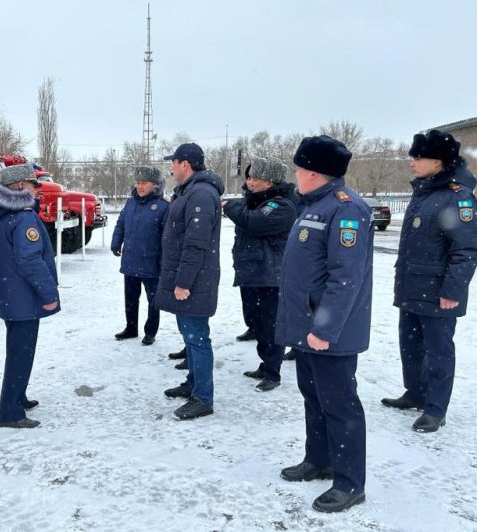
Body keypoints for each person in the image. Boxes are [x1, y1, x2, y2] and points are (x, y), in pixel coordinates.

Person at [275, 135, 372, 513]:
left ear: (313, 172)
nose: (295, 174)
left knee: (340, 405)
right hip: (308, 329)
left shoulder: (347, 210)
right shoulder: (314, 205)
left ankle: (350, 483)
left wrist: (324, 330)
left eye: (299, 167)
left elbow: (345, 278)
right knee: (313, 398)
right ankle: (319, 459)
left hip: (330, 333)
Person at [382, 130, 477, 432]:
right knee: (410, 345)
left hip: (438, 292)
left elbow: (466, 250)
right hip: (412, 286)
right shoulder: (425, 192)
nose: (412, 162)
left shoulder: (457, 196)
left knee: (438, 351)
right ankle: (416, 393)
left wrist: (453, 290)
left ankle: (436, 408)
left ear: (438, 161)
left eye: (418, 157)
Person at [0, 164, 60, 429]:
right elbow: (29, 260)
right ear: (18, 187)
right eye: (31, 184)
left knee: (17, 350)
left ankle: (19, 395)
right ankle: (11, 413)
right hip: (24, 297)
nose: (36, 189)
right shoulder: (23, 217)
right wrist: (49, 293)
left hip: (9, 294)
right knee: (20, 354)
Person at [157, 143, 224, 420]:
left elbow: (196, 244)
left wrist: (183, 282)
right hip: (187, 278)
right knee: (190, 335)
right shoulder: (189, 192)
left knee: (198, 338)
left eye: (174, 162)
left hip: (195, 281)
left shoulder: (201, 194)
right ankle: (193, 383)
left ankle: (203, 398)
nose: (171, 168)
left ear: (186, 164)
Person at [222, 155, 298, 392]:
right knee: (255, 323)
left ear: (271, 182)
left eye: (256, 178)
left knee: (270, 326)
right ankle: (265, 364)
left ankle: (273, 372)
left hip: (269, 275)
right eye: (250, 177)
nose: (250, 182)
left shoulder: (281, 205)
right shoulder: (253, 201)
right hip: (251, 272)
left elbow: (253, 223)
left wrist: (229, 205)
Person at [111, 166, 170, 345]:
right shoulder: (130, 203)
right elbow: (120, 224)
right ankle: (131, 327)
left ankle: (150, 331)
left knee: (153, 300)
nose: (140, 186)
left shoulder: (162, 207)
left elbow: (166, 237)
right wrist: (116, 241)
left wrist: (163, 260)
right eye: (138, 182)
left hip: (151, 262)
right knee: (130, 298)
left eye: (144, 183)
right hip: (130, 260)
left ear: (155, 185)